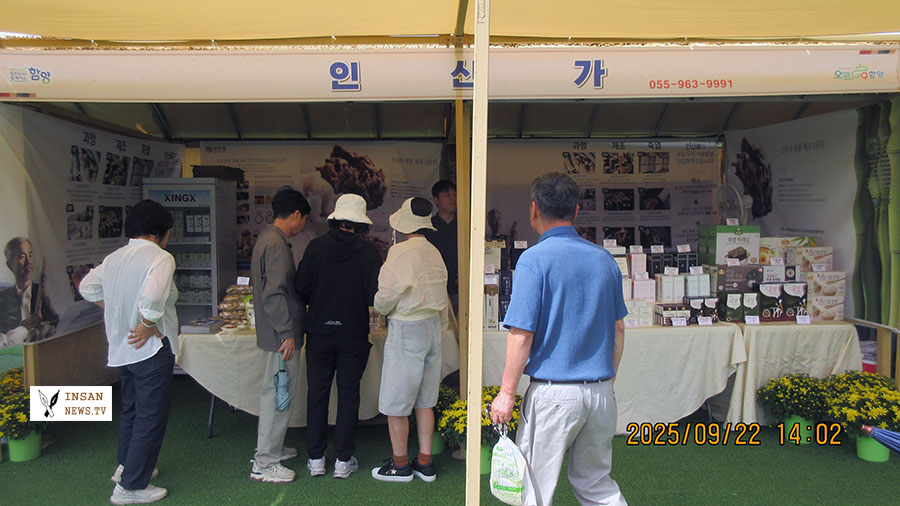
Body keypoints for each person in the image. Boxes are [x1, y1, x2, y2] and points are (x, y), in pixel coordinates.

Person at [490, 172, 628, 506]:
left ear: (533, 209)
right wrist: (605, 382)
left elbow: (521, 335)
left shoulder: (534, 259)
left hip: (553, 394)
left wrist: (506, 394)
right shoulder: (604, 259)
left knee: (534, 490)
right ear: (576, 211)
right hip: (600, 391)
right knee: (597, 485)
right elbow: (619, 330)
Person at [79, 199, 178, 505]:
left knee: (132, 411)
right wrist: (147, 323)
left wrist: (115, 310)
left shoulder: (115, 258)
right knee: (151, 417)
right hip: (150, 349)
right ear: (163, 232)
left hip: (122, 347)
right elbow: (153, 297)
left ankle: (127, 468)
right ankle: (131, 487)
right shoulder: (161, 258)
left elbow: (86, 286)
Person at [295, 193, 382, 479]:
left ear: (336, 219)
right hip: (353, 332)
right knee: (348, 394)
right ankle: (343, 460)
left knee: (317, 394)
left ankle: (316, 458)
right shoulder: (369, 253)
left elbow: (301, 287)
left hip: (319, 331)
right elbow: (373, 295)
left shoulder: (316, 247)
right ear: (361, 223)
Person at [371, 197, 448, 483]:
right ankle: (426, 462)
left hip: (407, 327)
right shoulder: (434, 252)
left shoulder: (400, 252)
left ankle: (400, 464)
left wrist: (381, 307)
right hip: (433, 327)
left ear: (404, 225)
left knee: (397, 401)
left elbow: (384, 298)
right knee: (425, 400)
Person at [249, 187, 310, 484]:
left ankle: (271, 448)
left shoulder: (268, 238)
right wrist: (286, 331)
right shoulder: (275, 243)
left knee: (276, 393)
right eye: (304, 219)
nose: (303, 225)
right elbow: (274, 292)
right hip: (279, 337)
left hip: (273, 334)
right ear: (296, 214)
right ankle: (265, 461)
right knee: (278, 395)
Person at [0, 237, 59, 341]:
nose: (29, 262)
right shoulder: (3, 298)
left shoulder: (44, 292)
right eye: (22, 257)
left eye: (30, 256)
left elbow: (56, 320)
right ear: (10, 265)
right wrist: (22, 327)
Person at [425, 180, 458, 315]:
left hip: (459, 288)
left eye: (454, 194)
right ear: (436, 200)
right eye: (447, 195)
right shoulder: (428, 226)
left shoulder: (464, 224)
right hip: (434, 288)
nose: (452, 198)